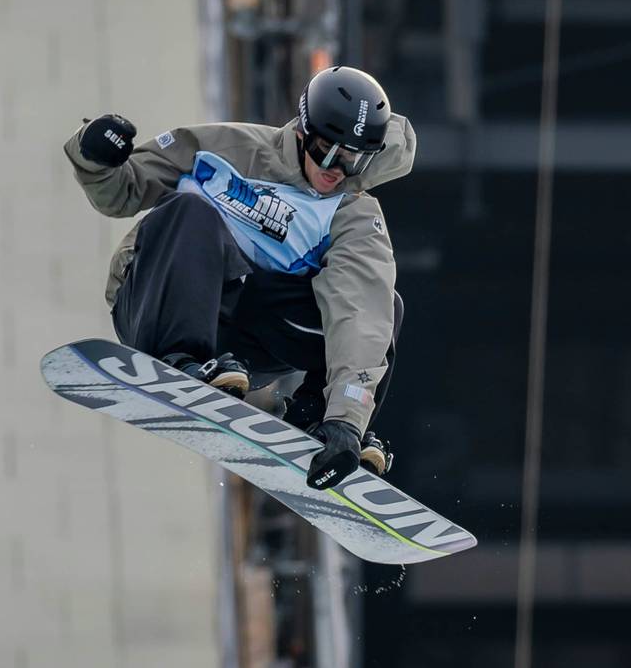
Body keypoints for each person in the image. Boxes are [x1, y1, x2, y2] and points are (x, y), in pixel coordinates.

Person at [63, 66, 415, 490]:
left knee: (381, 306)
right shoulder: (230, 147)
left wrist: (347, 419)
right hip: (157, 302)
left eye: (351, 159)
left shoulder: (352, 214)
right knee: (192, 212)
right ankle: (180, 358)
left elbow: (360, 313)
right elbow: (124, 191)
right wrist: (97, 158)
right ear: (303, 130)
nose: (335, 169)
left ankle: (320, 423)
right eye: (326, 150)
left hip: (249, 340)